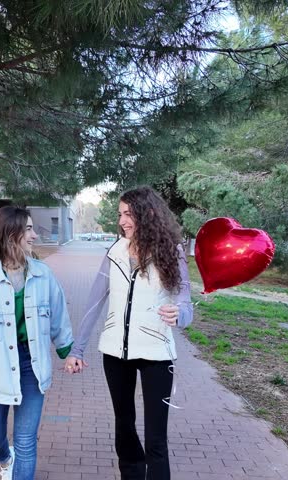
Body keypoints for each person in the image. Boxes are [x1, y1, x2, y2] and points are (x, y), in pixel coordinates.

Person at [65, 187, 194, 480]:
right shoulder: (116, 251)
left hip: (157, 355)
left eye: (127, 213)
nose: (122, 220)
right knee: (124, 426)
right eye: (120, 214)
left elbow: (185, 303)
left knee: (156, 438)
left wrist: (180, 315)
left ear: (147, 214)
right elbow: (94, 303)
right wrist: (78, 349)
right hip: (115, 353)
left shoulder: (171, 253)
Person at [0, 206, 74, 480]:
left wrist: (68, 351)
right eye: (28, 229)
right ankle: (6, 459)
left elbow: (58, 316)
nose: (34, 235)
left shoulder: (43, 275)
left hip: (32, 365)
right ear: (11, 235)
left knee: (26, 440)